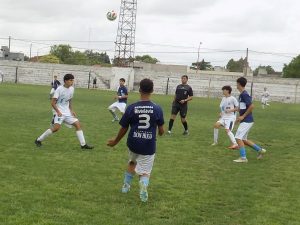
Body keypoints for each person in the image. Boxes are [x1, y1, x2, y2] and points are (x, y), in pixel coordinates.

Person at [107, 78, 164, 202]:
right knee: (145, 172)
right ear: (152, 91)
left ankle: (126, 186)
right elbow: (161, 129)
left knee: (132, 162)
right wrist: (160, 132)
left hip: (133, 143)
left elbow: (124, 127)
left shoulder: (132, 107)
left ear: (139, 90)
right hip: (148, 145)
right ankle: (143, 186)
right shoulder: (157, 108)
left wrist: (115, 141)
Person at [35, 74, 93, 150]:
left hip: (67, 111)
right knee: (56, 128)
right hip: (59, 111)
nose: (72, 82)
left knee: (78, 125)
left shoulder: (72, 89)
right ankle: (38, 140)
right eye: (70, 80)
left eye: (73, 80)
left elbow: (69, 99)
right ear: (65, 81)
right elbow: (52, 102)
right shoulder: (59, 89)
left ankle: (83, 145)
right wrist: (58, 112)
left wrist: (71, 110)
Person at [233, 77, 266, 163]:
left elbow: (252, 106)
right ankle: (261, 150)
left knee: (237, 137)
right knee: (244, 139)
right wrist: (238, 117)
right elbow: (242, 108)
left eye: (237, 83)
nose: (236, 85)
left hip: (247, 120)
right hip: (246, 120)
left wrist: (243, 116)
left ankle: (243, 158)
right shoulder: (241, 95)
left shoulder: (244, 94)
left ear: (239, 84)